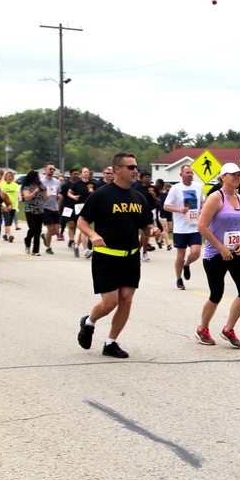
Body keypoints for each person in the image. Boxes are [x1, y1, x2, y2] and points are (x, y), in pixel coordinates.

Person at [76, 152, 156, 359]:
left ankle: (111, 342)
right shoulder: (101, 195)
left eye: (136, 167)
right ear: (117, 170)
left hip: (130, 256)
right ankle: (89, 322)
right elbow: (82, 221)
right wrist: (92, 235)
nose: (135, 171)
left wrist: (151, 230)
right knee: (110, 303)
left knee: (126, 300)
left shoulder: (139, 198)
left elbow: (145, 226)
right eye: (131, 167)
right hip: (106, 256)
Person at [194, 164, 240, 348]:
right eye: (233, 175)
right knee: (216, 294)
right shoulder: (215, 198)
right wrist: (220, 248)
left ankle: (229, 329)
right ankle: (202, 328)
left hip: (237, 252)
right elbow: (201, 226)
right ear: (223, 177)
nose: (237, 177)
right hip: (216, 254)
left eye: (239, 175)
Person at [164, 164, 205, 290]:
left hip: (194, 226)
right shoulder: (175, 189)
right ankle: (178, 278)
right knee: (180, 256)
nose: (190, 174)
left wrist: (203, 209)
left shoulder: (198, 187)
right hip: (181, 228)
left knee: (196, 252)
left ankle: (187, 265)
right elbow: (166, 206)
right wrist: (179, 209)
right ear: (181, 175)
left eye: (191, 172)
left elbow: (202, 201)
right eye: (187, 172)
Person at [69, 167, 94, 258]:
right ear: (81, 174)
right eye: (84, 172)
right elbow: (69, 192)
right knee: (84, 226)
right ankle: (86, 250)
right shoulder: (77, 184)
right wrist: (73, 197)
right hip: (79, 206)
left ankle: (76, 245)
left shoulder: (92, 183)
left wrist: (93, 192)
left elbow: (97, 194)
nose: (87, 173)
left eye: (88, 172)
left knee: (84, 227)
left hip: (88, 206)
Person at [21, 171, 45, 255]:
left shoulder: (40, 186)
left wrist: (44, 190)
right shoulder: (27, 187)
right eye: (37, 176)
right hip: (30, 210)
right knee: (33, 228)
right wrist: (35, 191)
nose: (39, 178)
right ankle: (27, 241)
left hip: (39, 210)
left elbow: (45, 198)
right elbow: (27, 197)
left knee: (38, 230)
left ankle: (35, 250)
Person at [40, 163, 62, 254]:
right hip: (45, 207)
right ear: (45, 170)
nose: (52, 171)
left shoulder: (57, 182)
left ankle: (45, 236)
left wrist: (59, 199)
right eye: (50, 169)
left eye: (53, 169)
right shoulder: (41, 182)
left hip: (55, 207)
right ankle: (48, 247)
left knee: (56, 230)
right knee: (50, 228)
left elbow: (58, 194)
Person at [0, 171, 20, 243]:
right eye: (8, 176)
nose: (10, 177)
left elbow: (18, 192)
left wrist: (20, 198)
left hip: (13, 205)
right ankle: (10, 235)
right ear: (5, 176)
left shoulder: (15, 185)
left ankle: (5, 234)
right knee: (7, 220)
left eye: (11, 176)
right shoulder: (1, 185)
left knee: (10, 221)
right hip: (5, 205)